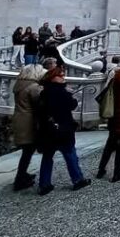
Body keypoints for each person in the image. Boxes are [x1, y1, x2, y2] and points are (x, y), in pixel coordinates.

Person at [35, 60, 91, 195]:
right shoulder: (61, 92)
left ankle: (44, 184)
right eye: (61, 76)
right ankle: (77, 179)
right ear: (54, 77)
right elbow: (71, 105)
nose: (63, 77)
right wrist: (71, 96)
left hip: (49, 129)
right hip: (63, 128)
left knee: (48, 157)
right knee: (70, 154)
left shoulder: (44, 92)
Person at [11, 63, 43, 190]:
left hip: (19, 118)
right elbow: (39, 102)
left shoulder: (19, 84)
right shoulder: (33, 87)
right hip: (29, 121)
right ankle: (20, 178)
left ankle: (22, 174)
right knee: (28, 151)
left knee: (26, 150)